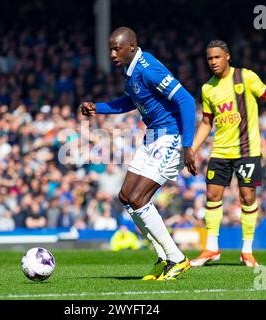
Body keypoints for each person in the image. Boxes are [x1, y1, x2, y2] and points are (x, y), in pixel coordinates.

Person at [80, 26, 197, 280]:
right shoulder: (130, 69)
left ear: (131, 47)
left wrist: (188, 146)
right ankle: (164, 257)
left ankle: (177, 258)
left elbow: (186, 100)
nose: (112, 54)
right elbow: (130, 101)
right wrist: (97, 107)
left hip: (171, 137)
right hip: (152, 136)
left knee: (140, 198)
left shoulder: (148, 68)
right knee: (125, 196)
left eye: (116, 48)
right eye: (110, 49)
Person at [190, 40, 266, 267]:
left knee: (248, 198)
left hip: (247, 151)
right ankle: (212, 248)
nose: (213, 62)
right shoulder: (207, 88)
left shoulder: (246, 77)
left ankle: (247, 250)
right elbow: (206, 122)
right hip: (220, 151)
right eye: (209, 58)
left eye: (217, 57)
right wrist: (192, 149)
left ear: (227, 56)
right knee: (213, 197)